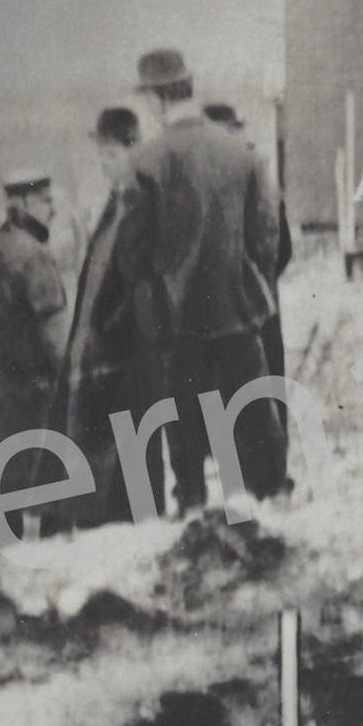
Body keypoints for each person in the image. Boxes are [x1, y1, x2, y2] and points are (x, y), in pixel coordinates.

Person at [131, 49, 287, 512]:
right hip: (238, 313)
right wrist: (247, 286)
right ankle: (273, 502)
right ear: (188, 87)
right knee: (258, 416)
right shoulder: (240, 154)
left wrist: (156, 306)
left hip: (177, 322)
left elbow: (133, 256)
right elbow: (267, 237)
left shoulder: (146, 162)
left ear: (157, 100)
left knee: (184, 425)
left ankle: (194, 510)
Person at [43, 107, 161, 530]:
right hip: (104, 359)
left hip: (129, 356)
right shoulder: (117, 202)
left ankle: (136, 535)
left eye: (110, 156)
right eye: (100, 157)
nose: (104, 165)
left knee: (132, 462)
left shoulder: (145, 203)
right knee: (103, 456)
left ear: (134, 149)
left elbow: (144, 290)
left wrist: (108, 333)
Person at [0, 170, 70, 519]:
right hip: (28, 411)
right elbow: (57, 344)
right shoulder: (35, 257)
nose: (52, 210)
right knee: (48, 527)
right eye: (46, 201)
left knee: (3, 527)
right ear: (23, 203)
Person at [206, 101, 295, 392]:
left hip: (247, 316)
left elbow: (280, 248)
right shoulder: (255, 174)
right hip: (255, 309)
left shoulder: (255, 179)